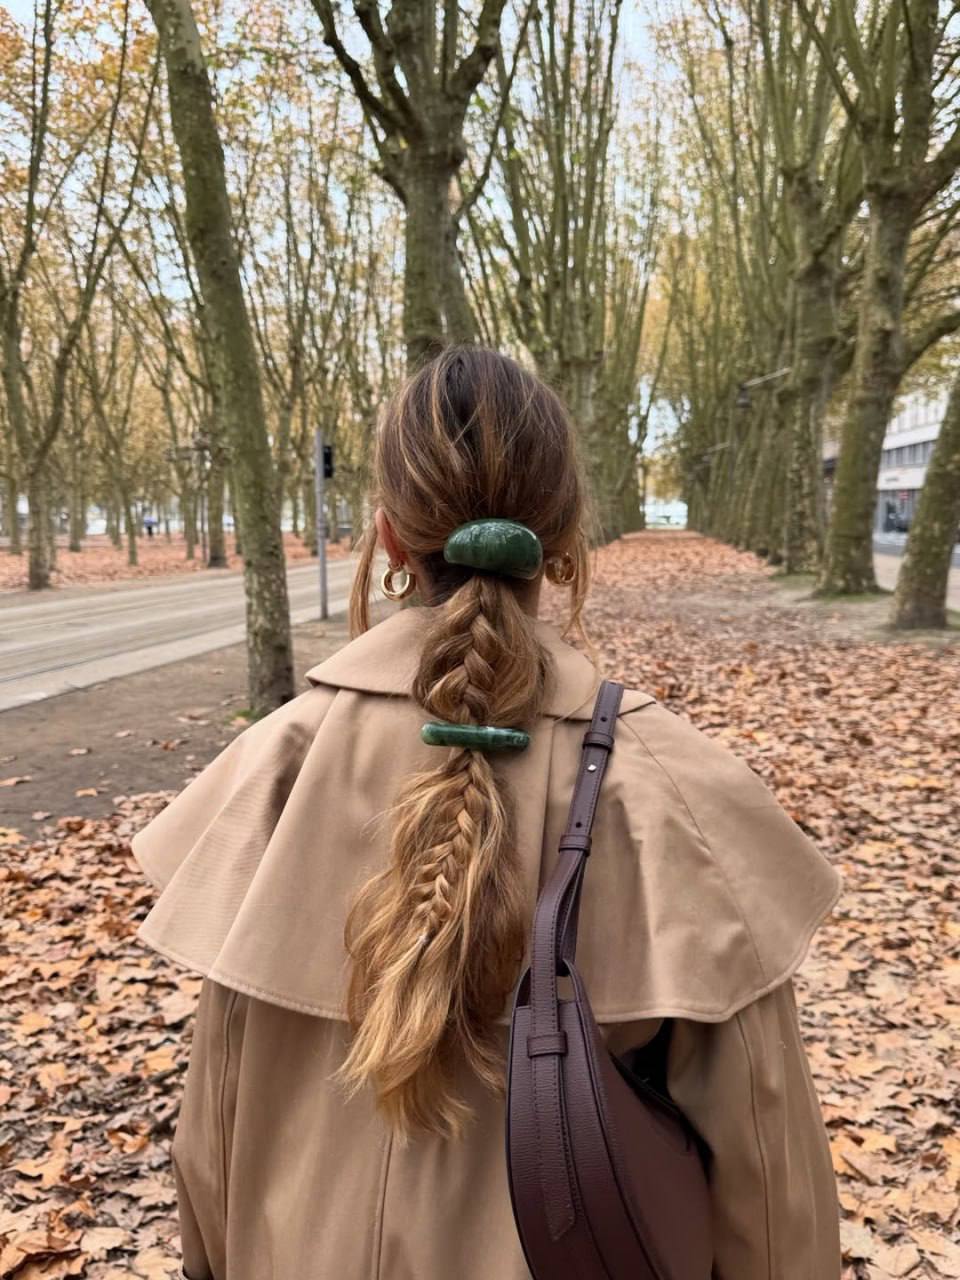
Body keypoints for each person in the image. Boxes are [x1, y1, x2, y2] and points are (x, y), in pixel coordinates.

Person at [131, 344, 843, 1279]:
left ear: (390, 540)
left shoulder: (276, 775)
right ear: (565, 545)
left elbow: (213, 1135)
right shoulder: (673, 795)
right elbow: (770, 1184)